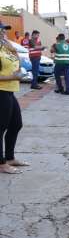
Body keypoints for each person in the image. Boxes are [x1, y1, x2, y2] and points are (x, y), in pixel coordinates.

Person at [0, 22, 28, 174]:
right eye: (2, 29)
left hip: (10, 90)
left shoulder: (5, 47)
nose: (4, 32)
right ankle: (1, 163)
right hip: (1, 91)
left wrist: (12, 49)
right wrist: (12, 76)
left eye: (5, 29)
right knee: (1, 127)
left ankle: (10, 158)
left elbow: (17, 63)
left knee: (16, 124)